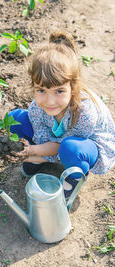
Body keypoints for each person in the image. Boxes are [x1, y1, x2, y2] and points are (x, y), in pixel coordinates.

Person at [7, 31, 115, 198]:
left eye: (59, 91)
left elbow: (59, 146)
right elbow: (45, 138)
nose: (50, 101)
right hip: (57, 140)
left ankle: (74, 175)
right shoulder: (37, 107)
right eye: (41, 90)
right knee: (15, 119)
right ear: (33, 86)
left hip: (86, 144)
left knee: (70, 149)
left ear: (73, 87)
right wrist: (30, 149)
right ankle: (36, 160)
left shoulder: (85, 113)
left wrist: (32, 152)